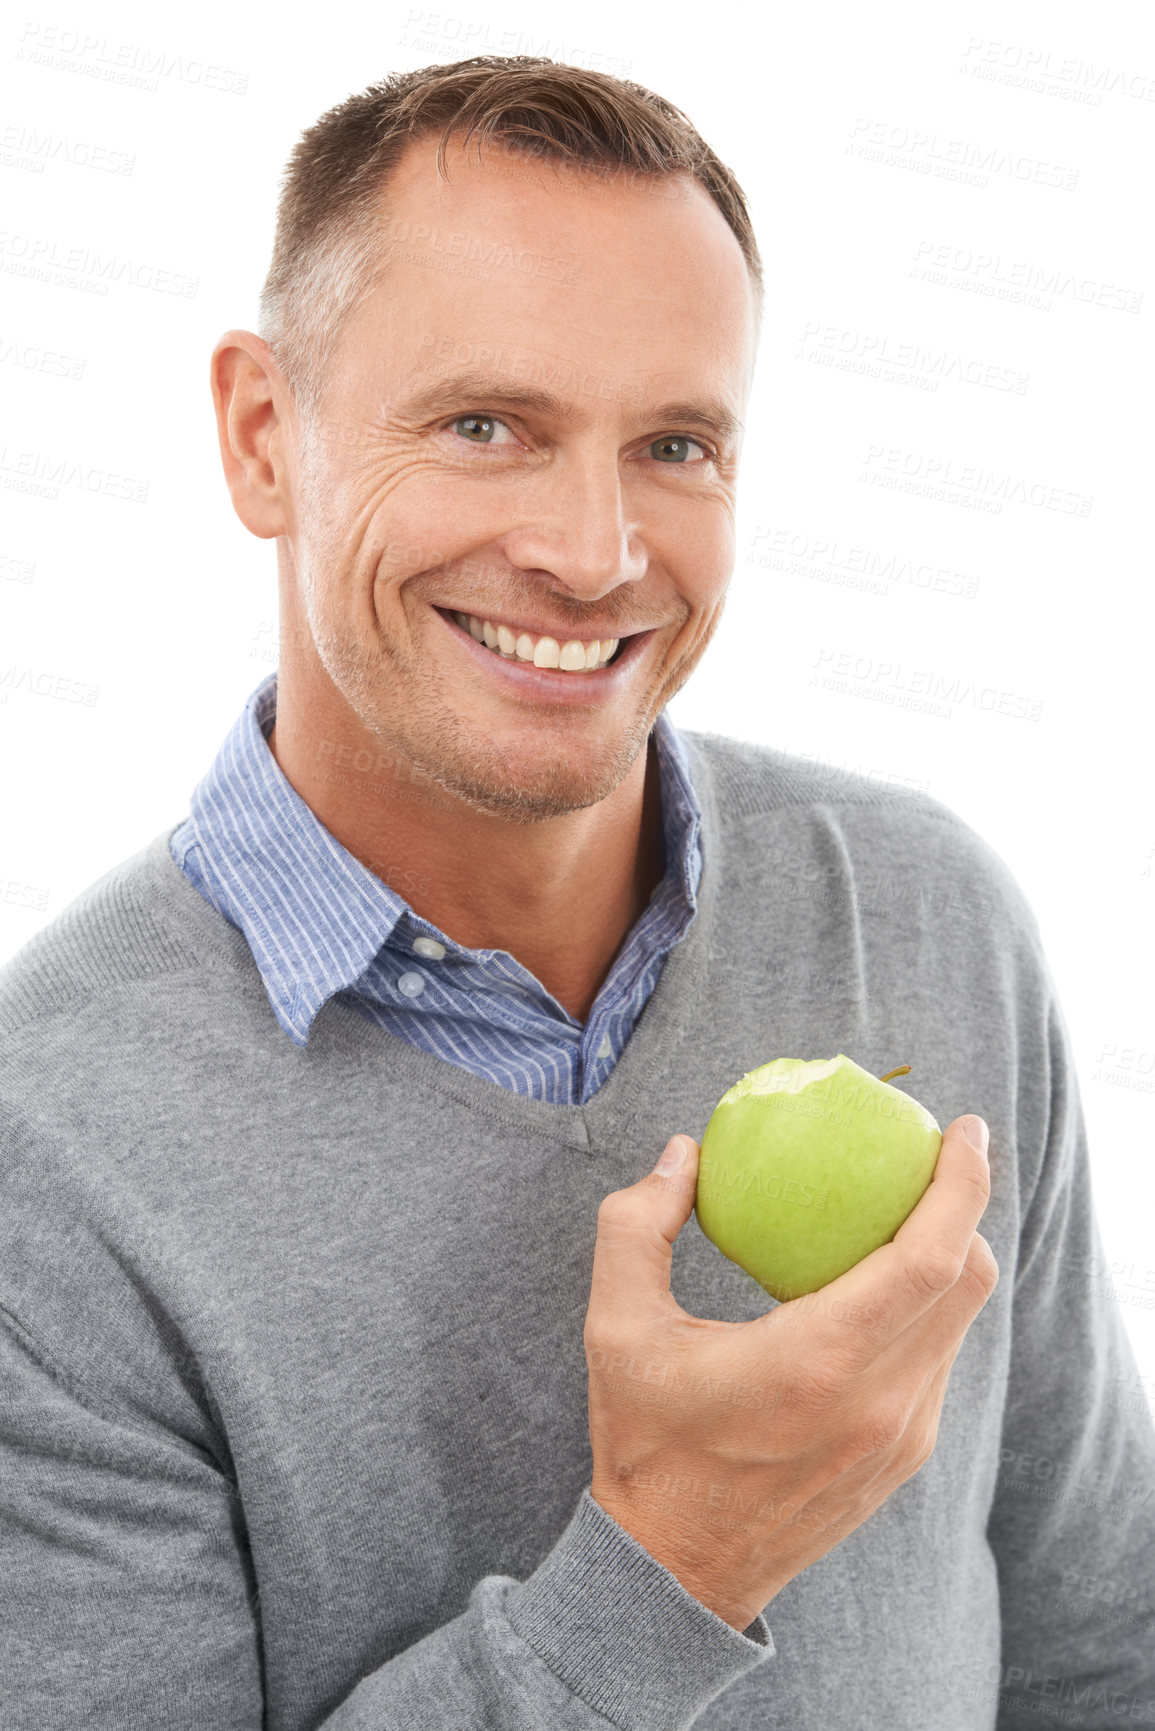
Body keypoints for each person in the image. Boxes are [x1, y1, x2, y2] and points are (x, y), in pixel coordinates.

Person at [1, 55, 1152, 1731]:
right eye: (487, 426)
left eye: (676, 443)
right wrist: (672, 1565)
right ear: (265, 436)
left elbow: (1100, 1654)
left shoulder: (927, 914)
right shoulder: (47, 1156)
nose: (597, 549)